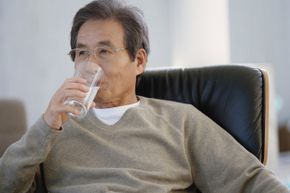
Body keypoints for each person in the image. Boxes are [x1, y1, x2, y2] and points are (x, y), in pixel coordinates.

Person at [0, 0, 289, 192]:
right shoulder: (53, 130)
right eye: (81, 53)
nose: (91, 64)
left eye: (104, 51)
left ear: (138, 61)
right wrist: (47, 123)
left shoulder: (180, 121)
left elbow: (252, 181)